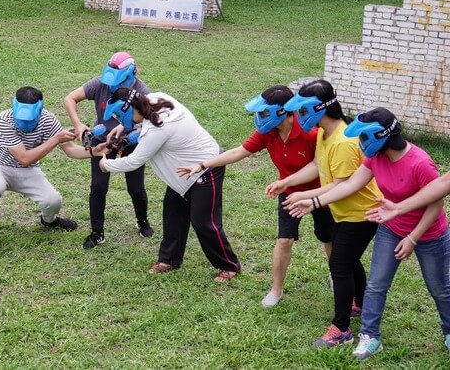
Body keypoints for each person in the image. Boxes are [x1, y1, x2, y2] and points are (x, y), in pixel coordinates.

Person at [288, 107, 450, 357]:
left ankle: (449, 331)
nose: (360, 143)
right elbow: (352, 184)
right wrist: (315, 202)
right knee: (375, 285)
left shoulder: (420, 163)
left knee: (439, 289)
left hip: (429, 234)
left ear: (381, 136)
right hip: (391, 226)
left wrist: (413, 238)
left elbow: (436, 204)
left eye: (364, 138)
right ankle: (370, 336)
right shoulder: (375, 158)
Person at [177, 85, 334, 307]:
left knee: (328, 238)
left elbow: (319, 166)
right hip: (288, 194)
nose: (259, 118)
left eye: (264, 113)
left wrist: (286, 182)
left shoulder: (311, 132)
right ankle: (276, 289)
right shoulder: (267, 133)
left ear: (282, 112)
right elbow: (239, 152)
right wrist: (203, 164)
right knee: (284, 240)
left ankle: (335, 275)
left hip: (320, 193)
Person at [266, 79, 381, 347]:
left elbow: (342, 186)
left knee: (339, 266)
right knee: (349, 262)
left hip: (360, 214)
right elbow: (318, 166)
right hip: (343, 212)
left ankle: (341, 329)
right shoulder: (322, 133)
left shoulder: (343, 141)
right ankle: (360, 305)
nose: (300, 118)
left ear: (319, 110)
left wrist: (312, 200)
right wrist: (288, 182)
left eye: (303, 112)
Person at [100, 87, 241, 282]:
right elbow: (146, 126)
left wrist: (105, 164)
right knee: (173, 213)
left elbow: (134, 161)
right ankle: (169, 259)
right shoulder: (156, 98)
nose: (117, 120)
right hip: (182, 173)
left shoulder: (157, 130)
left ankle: (229, 265)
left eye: (118, 116)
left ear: (128, 110)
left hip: (206, 167)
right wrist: (127, 130)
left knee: (204, 222)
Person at [0, 86, 100, 254]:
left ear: (40, 111)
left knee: (53, 201)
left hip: (28, 171)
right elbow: (24, 158)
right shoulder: (4, 120)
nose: (24, 124)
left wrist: (96, 151)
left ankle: (49, 221)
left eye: (30, 120)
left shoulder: (49, 120)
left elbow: (70, 150)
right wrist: (55, 139)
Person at [64, 52, 153, 249]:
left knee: (136, 188)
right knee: (98, 187)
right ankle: (97, 233)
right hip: (100, 144)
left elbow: (148, 125)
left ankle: (143, 222)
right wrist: (78, 125)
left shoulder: (143, 92)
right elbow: (69, 98)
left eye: (118, 83)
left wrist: (129, 137)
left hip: (130, 143)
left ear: (130, 77)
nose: (112, 88)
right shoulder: (100, 84)